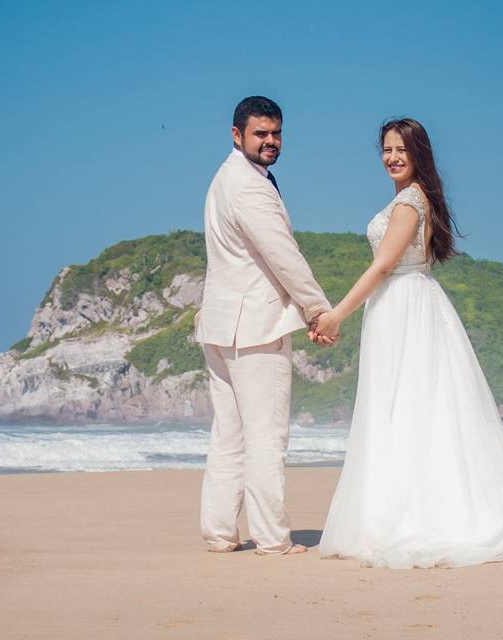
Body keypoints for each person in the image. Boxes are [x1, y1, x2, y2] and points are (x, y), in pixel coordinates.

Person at [313, 117, 503, 568]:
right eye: (386, 149)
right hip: (402, 308)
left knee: (407, 406)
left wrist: (335, 314)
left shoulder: (409, 202)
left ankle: (411, 515)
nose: (392, 157)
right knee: (411, 406)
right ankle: (399, 510)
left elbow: (384, 265)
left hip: (404, 305)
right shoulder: (412, 199)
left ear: (418, 153)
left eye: (401, 149)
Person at [194, 96, 334, 555]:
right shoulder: (249, 186)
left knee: (229, 435)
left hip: (220, 325)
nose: (270, 141)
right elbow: (283, 255)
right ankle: (273, 539)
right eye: (260, 134)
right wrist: (317, 310)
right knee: (266, 437)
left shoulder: (224, 178)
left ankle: (218, 532)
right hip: (254, 326)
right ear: (237, 135)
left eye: (276, 133)